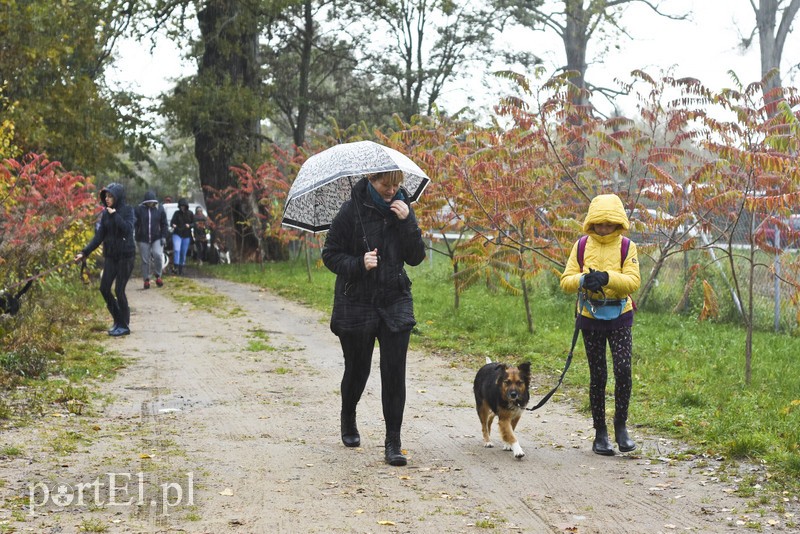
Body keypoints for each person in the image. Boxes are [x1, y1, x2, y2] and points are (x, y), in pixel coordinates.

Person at [321, 170, 426, 466]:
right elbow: (330, 254)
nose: (391, 190)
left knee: (394, 374)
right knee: (358, 370)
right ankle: (348, 414)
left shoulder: (403, 209)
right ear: (371, 179)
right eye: (385, 185)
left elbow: (416, 256)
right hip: (357, 301)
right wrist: (358, 262)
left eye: (396, 184)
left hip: (394, 299)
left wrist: (408, 222)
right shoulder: (350, 210)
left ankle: (393, 441)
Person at [559, 193, 641, 456]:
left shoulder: (627, 246)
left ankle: (621, 427)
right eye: (599, 224)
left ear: (618, 223)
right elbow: (565, 281)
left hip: (620, 316)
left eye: (609, 224)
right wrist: (584, 280)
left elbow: (632, 281)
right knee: (598, 376)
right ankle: (600, 433)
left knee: (623, 370)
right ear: (591, 223)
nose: (603, 228)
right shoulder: (581, 245)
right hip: (591, 317)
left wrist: (607, 278)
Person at [74, 183, 136, 337]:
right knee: (104, 288)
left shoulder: (128, 211)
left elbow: (127, 229)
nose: (107, 199)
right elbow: (99, 236)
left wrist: (115, 214)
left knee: (119, 290)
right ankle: (118, 320)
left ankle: (124, 325)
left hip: (125, 256)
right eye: (106, 196)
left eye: (110, 196)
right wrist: (84, 252)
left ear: (117, 197)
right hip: (111, 256)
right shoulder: (105, 214)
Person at [134, 191, 168, 289]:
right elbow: (135, 223)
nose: (150, 204)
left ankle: (158, 276)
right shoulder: (139, 209)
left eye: (151, 202)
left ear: (155, 202)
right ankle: (146, 280)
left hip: (157, 237)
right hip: (143, 238)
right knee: (145, 260)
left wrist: (164, 236)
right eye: (148, 202)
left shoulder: (160, 209)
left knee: (158, 255)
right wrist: (136, 234)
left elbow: (164, 224)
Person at [170, 198, 194, 275]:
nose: (182, 207)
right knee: (177, 250)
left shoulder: (190, 213)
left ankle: (181, 268)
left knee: (183, 252)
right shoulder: (176, 213)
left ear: (186, 206)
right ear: (179, 206)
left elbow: (194, 223)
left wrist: (189, 225)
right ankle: (176, 267)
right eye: (181, 206)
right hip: (177, 234)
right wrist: (173, 225)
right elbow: (172, 222)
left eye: (184, 206)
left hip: (186, 235)